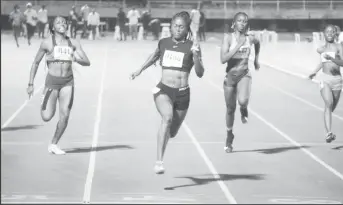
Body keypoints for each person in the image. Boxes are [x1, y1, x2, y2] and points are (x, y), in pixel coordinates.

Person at [130, 11, 204, 174]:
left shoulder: (192, 46)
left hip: (183, 93)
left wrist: (197, 56)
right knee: (167, 117)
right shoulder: (164, 43)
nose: (178, 29)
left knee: (173, 131)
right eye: (175, 26)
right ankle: (159, 161)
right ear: (170, 27)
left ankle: (164, 137)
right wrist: (139, 70)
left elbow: (200, 73)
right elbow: (153, 56)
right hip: (164, 90)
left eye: (181, 27)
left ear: (186, 29)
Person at [27, 16, 90, 154]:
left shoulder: (73, 43)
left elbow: (87, 62)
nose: (62, 23)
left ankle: (53, 144)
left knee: (65, 114)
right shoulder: (47, 43)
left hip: (68, 82)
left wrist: (76, 58)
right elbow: (36, 63)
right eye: (58, 22)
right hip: (52, 82)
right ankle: (45, 99)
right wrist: (31, 83)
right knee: (47, 116)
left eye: (64, 22)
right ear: (53, 27)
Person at [220, 12, 260, 153]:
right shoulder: (228, 38)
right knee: (230, 109)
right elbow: (223, 59)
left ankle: (244, 109)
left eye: (245, 21)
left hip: (244, 73)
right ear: (234, 23)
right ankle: (229, 135)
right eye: (240, 21)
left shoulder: (251, 38)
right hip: (230, 76)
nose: (242, 23)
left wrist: (256, 60)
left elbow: (258, 43)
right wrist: (238, 46)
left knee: (242, 101)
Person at [308, 24, 343, 143]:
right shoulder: (321, 49)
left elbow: (342, 62)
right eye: (327, 31)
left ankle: (327, 125)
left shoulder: (339, 47)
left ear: (335, 34)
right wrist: (314, 72)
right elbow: (322, 63)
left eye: (332, 31)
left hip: (337, 80)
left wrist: (333, 59)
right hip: (324, 78)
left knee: (331, 107)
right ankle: (329, 133)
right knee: (329, 103)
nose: (329, 33)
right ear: (324, 33)